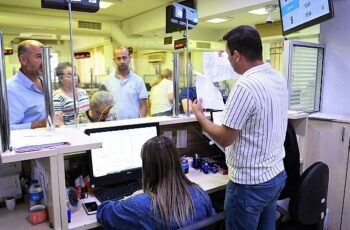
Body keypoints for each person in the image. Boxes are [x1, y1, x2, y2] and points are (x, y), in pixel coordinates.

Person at [192, 25, 288, 230]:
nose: (227, 59)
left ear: (236, 55)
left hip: (249, 185)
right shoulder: (277, 77)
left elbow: (226, 138)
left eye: (227, 54)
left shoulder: (245, 86)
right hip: (275, 175)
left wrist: (200, 116)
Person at [97, 136, 216, 229]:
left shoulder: (139, 205)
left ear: (148, 167)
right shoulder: (199, 193)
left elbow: (104, 213)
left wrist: (130, 199)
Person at [7, 40, 63, 130]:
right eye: (40, 56)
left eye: (47, 57)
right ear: (23, 60)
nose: (45, 62)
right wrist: (38, 124)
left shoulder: (45, 83)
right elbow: (7, 129)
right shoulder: (10, 89)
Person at [101, 47, 148, 120]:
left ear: (129, 58)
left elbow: (143, 105)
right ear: (114, 60)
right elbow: (101, 105)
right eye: (118, 58)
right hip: (112, 125)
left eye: (124, 58)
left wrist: (141, 123)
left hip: (133, 124)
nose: (122, 61)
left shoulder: (138, 80)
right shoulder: (106, 81)